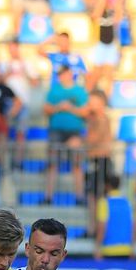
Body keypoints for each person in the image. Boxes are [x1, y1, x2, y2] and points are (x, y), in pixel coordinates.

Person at [43, 66, 87, 205]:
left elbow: (85, 111)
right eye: (60, 74)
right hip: (56, 131)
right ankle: (48, 197)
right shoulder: (54, 90)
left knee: (77, 164)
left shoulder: (79, 91)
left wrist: (70, 108)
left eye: (65, 73)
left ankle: (79, 197)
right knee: (52, 164)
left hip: (74, 131)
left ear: (70, 74)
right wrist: (59, 107)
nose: (63, 76)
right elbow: (46, 109)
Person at [82, 88, 112, 232]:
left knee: (97, 198)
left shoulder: (101, 119)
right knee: (92, 197)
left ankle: (96, 230)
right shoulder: (94, 119)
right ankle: (93, 228)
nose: (90, 105)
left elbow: (92, 139)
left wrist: (80, 140)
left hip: (100, 160)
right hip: (95, 160)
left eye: (93, 102)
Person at [95, 173, 134, 259]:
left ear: (107, 186)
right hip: (126, 250)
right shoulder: (128, 202)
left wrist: (97, 248)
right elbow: (133, 226)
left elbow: (102, 226)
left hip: (108, 250)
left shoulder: (104, 202)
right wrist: (133, 248)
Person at [87, 0, 121, 92]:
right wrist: (100, 4)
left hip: (111, 46)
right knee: (95, 74)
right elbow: (94, 17)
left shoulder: (112, 12)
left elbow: (118, 18)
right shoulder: (95, 12)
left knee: (109, 76)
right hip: (99, 45)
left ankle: (107, 96)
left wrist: (114, 4)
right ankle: (88, 95)